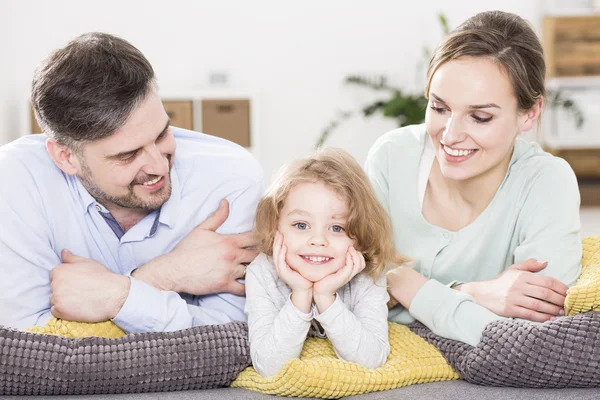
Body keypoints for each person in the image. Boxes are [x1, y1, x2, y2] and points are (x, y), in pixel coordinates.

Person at [0, 32, 264, 333]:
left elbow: (233, 338)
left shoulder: (231, 179)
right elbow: (27, 348)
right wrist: (160, 277)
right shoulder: (13, 181)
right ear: (65, 157)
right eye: (128, 155)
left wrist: (111, 296)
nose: (158, 165)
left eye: (163, 133)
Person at [365, 10, 582, 347]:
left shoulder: (547, 182)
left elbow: (534, 336)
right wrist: (476, 293)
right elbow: (351, 294)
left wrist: (404, 286)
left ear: (530, 113)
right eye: (439, 108)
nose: (450, 135)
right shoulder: (393, 156)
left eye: (480, 117)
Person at [245, 148, 409, 377]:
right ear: (275, 227)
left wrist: (325, 298)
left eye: (337, 228)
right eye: (301, 225)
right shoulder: (262, 272)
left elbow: (371, 360)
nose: (318, 241)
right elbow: (270, 367)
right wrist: (300, 294)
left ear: (361, 236)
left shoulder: (366, 275)